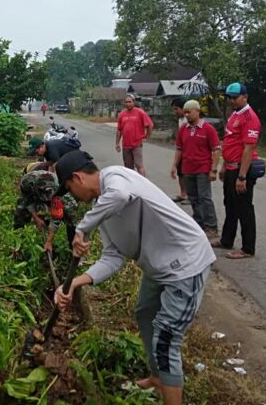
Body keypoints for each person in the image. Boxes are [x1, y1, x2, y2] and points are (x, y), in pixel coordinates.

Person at [53, 150, 215, 405]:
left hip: (186, 263)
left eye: (69, 189)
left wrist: (83, 228)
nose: (72, 195)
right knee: (144, 313)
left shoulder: (117, 177)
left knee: (166, 336)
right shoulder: (101, 209)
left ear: (77, 178)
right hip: (157, 266)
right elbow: (112, 258)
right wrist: (74, 283)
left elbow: (118, 196)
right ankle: (158, 377)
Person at [211, 82, 261, 260]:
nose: (232, 100)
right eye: (229, 97)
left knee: (244, 208)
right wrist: (224, 165)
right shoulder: (234, 115)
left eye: (235, 97)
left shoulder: (250, 118)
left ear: (245, 97)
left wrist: (242, 176)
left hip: (242, 169)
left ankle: (248, 248)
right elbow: (231, 142)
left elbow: (248, 148)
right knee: (230, 206)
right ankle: (226, 240)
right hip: (231, 166)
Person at [171, 99, 221, 239]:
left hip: (203, 168)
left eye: (189, 112)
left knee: (204, 198)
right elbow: (179, 149)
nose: (186, 115)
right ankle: (198, 223)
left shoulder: (208, 129)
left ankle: (211, 226)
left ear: (197, 111)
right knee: (193, 198)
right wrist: (175, 165)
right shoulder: (183, 129)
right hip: (188, 168)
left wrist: (213, 169)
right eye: (185, 112)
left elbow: (216, 150)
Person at [13, 169, 77, 251]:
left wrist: (49, 241)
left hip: (57, 196)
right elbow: (27, 200)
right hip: (33, 194)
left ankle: (74, 248)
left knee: (71, 217)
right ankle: (18, 237)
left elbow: (56, 218)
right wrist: (36, 218)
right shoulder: (27, 182)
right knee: (21, 208)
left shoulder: (62, 190)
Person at [115, 94, 154, 176]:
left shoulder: (140, 112)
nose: (128, 104)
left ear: (133, 102)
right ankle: (132, 185)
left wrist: (146, 137)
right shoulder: (122, 114)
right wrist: (117, 143)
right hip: (126, 145)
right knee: (128, 168)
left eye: (129, 102)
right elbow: (119, 130)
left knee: (139, 165)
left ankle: (143, 183)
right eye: (126, 102)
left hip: (137, 144)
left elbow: (150, 125)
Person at [170, 97, 189, 203]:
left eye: (176, 109)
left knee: (188, 174)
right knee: (180, 173)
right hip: (181, 150)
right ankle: (183, 194)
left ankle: (190, 196)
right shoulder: (180, 120)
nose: (175, 112)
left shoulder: (188, 120)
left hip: (188, 151)